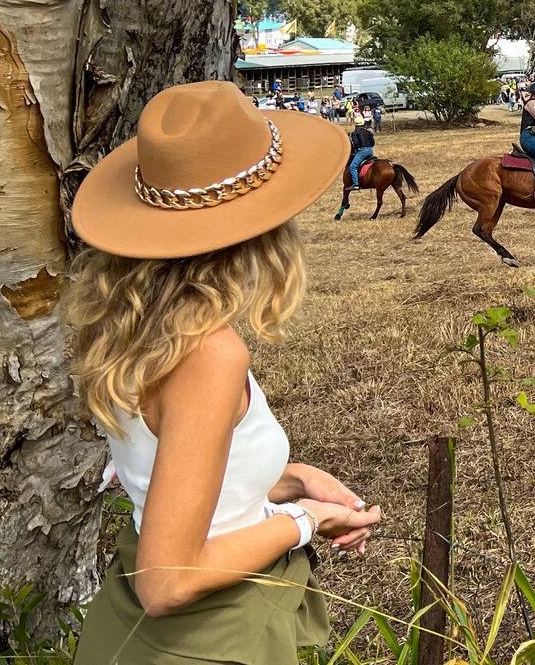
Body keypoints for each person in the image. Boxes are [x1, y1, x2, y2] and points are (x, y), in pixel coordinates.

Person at [64, 81, 382, 664]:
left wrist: (292, 478)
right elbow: (165, 581)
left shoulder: (136, 330)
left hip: (133, 637)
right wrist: (303, 519)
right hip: (212, 641)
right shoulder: (209, 353)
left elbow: (174, 480)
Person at [347, 120, 375, 188]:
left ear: (355, 124)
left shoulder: (354, 133)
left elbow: (356, 143)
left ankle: (356, 184)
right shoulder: (368, 132)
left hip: (362, 151)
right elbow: (373, 142)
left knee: (353, 166)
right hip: (370, 150)